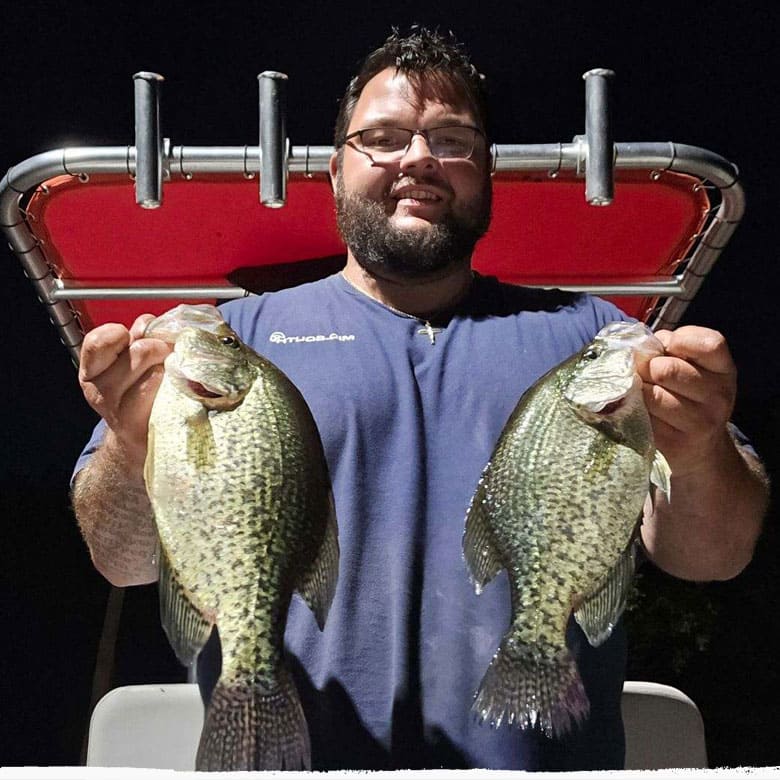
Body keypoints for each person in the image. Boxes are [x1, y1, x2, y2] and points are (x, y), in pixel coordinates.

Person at [72, 28, 768, 770]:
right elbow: (122, 560)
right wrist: (131, 442)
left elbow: (715, 556)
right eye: (384, 137)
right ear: (337, 169)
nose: (419, 159)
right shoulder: (233, 336)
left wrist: (697, 450)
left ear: (488, 173)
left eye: (453, 139)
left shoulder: (593, 335)